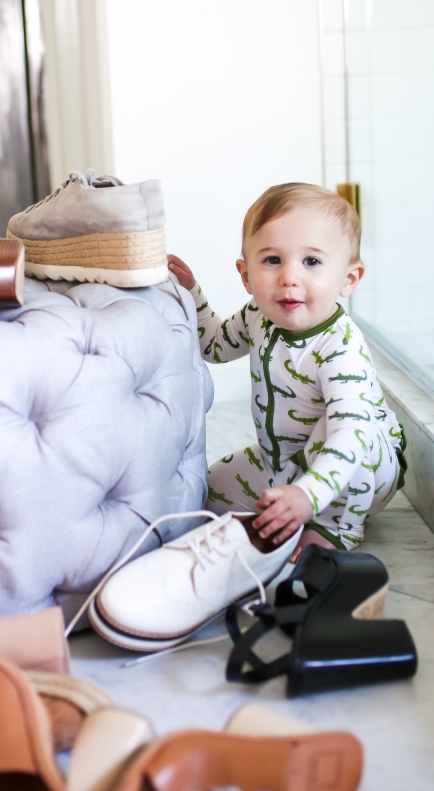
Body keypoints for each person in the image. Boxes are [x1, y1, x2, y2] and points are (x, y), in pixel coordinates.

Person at [168, 182, 405, 558]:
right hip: (281, 462)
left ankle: (335, 527)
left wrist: (308, 495)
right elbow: (213, 344)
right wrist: (191, 292)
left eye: (311, 262)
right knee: (206, 496)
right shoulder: (257, 316)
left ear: (348, 279)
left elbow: (351, 437)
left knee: (341, 427)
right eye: (273, 260)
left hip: (363, 472)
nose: (289, 277)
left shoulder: (340, 347)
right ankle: (292, 504)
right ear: (245, 275)